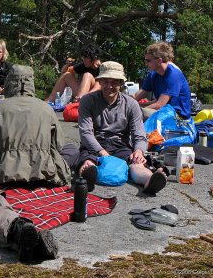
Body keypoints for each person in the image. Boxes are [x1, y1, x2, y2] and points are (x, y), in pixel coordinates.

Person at [61, 61, 167, 195]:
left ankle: (149, 180)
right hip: (94, 145)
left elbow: (139, 135)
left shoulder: (131, 104)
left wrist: (139, 151)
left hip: (121, 145)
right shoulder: (88, 100)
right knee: (88, 160)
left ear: (121, 84)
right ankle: (87, 178)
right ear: (99, 81)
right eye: (105, 81)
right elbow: (86, 133)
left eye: (115, 82)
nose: (109, 86)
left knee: (136, 163)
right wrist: (103, 154)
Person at [0, 64, 71, 186]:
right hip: (43, 173)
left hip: (3, 173)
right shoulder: (46, 109)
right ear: (31, 83)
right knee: (72, 149)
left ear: (9, 83)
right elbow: (58, 145)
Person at [131, 41, 191, 120]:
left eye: (148, 60)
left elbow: (159, 105)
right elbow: (135, 97)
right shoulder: (153, 75)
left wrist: (133, 110)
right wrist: (120, 101)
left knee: (138, 113)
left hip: (178, 116)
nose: (146, 64)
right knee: (133, 108)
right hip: (163, 111)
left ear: (159, 61)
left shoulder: (174, 75)